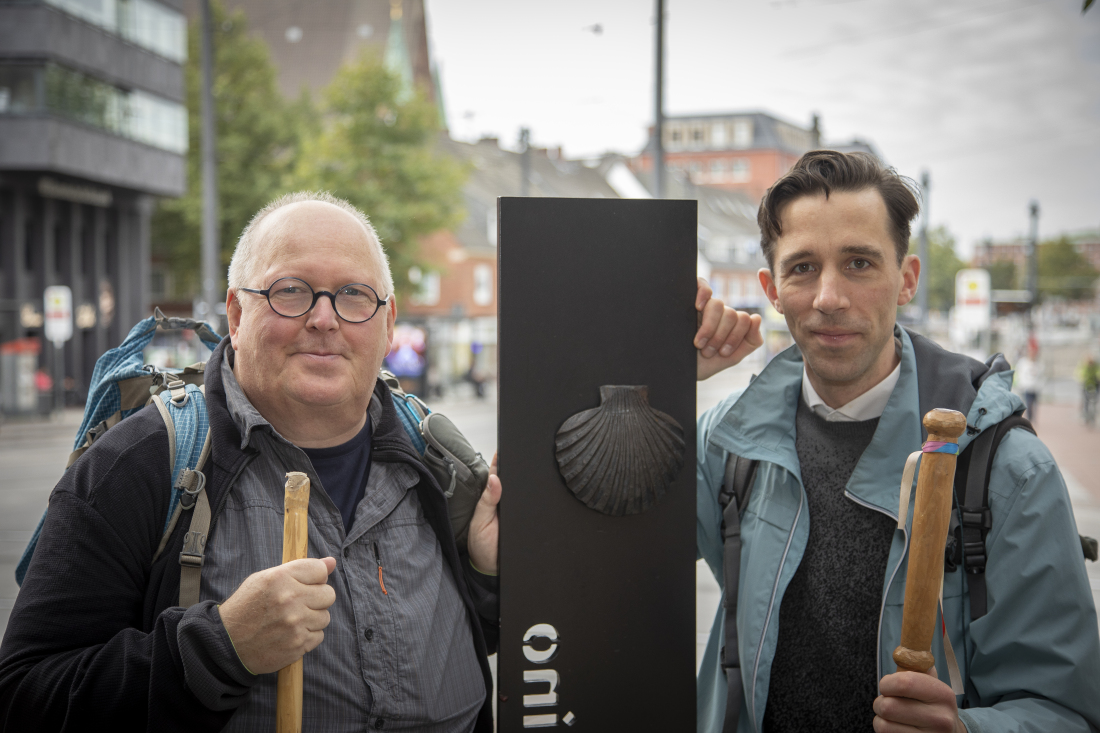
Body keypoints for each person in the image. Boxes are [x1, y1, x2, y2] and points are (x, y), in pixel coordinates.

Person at [0, 191, 756, 732]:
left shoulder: (440, 458)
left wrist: (489, 581)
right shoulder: (146, 463)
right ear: (235, 313)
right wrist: (216, 647)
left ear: (388, 324)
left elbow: (465, 642)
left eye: (354, 295)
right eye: (291, 291)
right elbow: (27, 693)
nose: (325, 318)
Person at [695, 151, 1100, 733]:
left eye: (859, 263)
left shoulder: (1006, 468)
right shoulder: (727, 441)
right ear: (772, 289)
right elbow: (606, 533)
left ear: (906, 279)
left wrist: (967, 730)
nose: (829, 297)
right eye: (803, 267)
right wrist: (661, 381)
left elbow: (1067, 710)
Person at [1013, 343, 1041, 425]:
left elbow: (1041, 376)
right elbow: (1019, 373)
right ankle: (1029, 419)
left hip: (1035, 387)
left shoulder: (1038, 364)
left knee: (1035, 404)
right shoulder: (1023, 363)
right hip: (1026, 387)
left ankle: (1033, 418)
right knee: (1028, 403)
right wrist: (1020, 384)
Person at [1079, 354, 1099, 427]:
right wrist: (1082, 378)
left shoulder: (1096, 366)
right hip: (1086, 385)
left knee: (1093, 401)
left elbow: (1098, 372)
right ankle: (1087, 417)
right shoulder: (1084, 366)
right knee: (1086, 401)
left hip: (1095, 384)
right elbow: (1080, 373)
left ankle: (1092, 417)